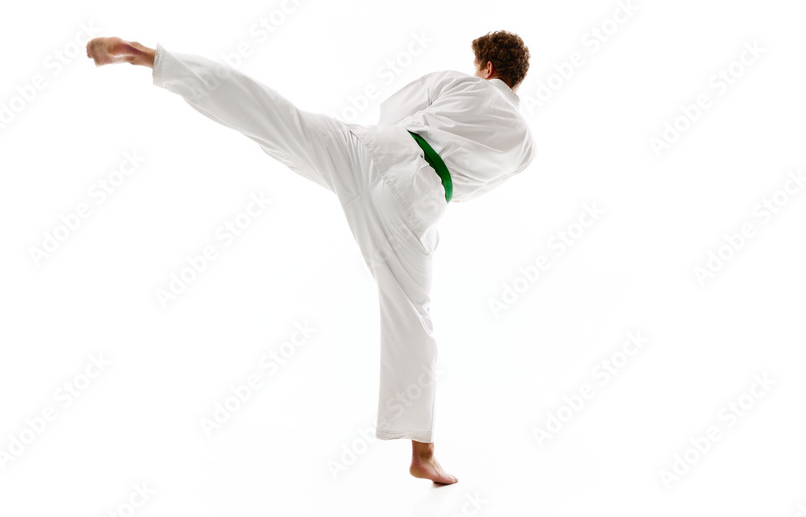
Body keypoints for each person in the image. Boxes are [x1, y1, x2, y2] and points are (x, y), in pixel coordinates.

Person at [86, 31, 536, 484]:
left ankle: (151, 58)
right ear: (515, 80)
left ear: (487, 69)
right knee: (413, 317)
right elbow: (477, 185)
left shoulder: (457, 84)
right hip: (419, 200)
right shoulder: (524, 146)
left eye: (477, 64)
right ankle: (423, 453)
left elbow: (393, 112)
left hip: (375, 150)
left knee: (279, 120)